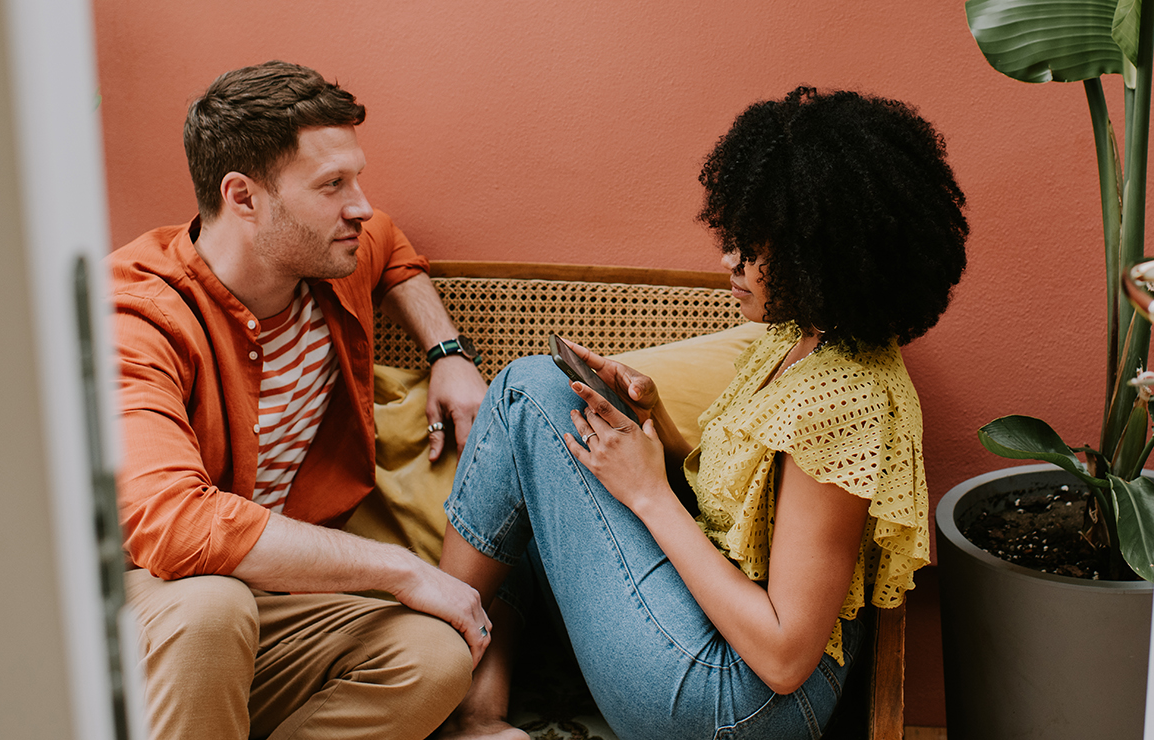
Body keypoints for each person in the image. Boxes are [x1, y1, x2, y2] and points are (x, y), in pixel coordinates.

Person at [435, 87, 968, 740]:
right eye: (734, 236)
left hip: (738, 706)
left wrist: (649, 493)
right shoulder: (799, 337)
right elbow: (740, 511)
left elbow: (782, 655)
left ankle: (427, 653)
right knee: (535, 467)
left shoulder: (843, 399)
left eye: (755, 247)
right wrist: (650, 421)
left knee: (523, 393)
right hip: (723, 655)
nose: (729, 262)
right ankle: (478, 714)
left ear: (819, 255)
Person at [111, 60, 492, 740]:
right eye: (332, 184)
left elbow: (392, 245)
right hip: (146, 600)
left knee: (436, 655)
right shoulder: (138, 317)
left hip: (272, 603)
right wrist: (401, 568)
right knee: (211, 607)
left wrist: (448, 353)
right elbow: (174, 524)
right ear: (244, 196)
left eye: (357, 177)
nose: (361, 205)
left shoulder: (327, 257)